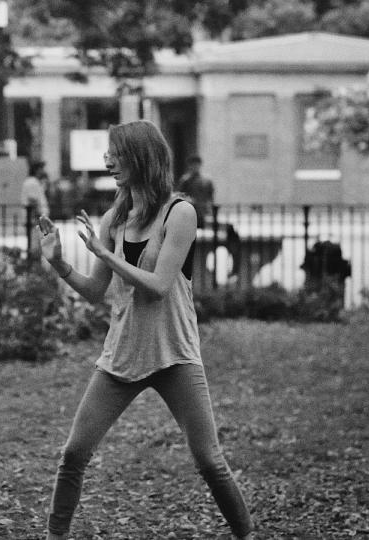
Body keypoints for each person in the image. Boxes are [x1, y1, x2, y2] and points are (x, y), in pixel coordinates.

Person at [37, 120, 253, 540]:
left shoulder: (180, 212)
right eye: (108, 153)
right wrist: (60, 264)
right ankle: (54, 537)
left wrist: (105, 253)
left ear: (141, 157)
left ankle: (248, 535)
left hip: (175, 354)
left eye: (116, 153)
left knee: (209, 460)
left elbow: (158, 286)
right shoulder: (114, 220)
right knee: (74, 454)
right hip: (122, 355)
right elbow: (98, 291)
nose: (108, 161)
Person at [22, 161, 50, 258]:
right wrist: (39, 219)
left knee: (38, 246)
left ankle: (36, 268)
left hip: (37, 220)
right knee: (35, 246)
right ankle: (35, 268)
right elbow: (32, 200)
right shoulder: (32, 182)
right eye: (41, 169)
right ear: (37, 170)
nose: (43, 171)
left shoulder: (35, 182)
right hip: (35, 220)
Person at [176, 155, 214, 228]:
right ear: (189, 166)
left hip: (202, 210)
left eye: (197, 164)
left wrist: (209, 207)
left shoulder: (207, 181)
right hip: (189, 210)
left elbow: (210, 195)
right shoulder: (185, 180)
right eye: (193, 165)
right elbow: (180, 195)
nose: (195, 167)